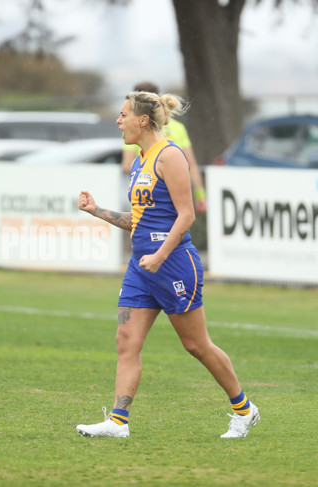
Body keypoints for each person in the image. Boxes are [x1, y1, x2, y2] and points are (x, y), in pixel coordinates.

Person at [75, 91, 259, 438]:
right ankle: (118, 422)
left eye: (123, 115)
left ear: (142, 120)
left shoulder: (169, 156)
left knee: (196, 345)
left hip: (173, 263)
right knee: (126, 340)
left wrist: (160, 255)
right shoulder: (141, 160)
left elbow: (186, 216)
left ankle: (244, 409)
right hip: (141, 267)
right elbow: (139, 220)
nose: (118, 121)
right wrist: (96, 211)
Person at [121, 81, 207, 214]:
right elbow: (192, 164)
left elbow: (127, 165)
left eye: (125, 114)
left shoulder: (135, 127)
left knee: (174, 223)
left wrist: (147, 174)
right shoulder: (178, 127)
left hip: (149, 195)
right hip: (177, 192)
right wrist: (200, 195)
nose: (119, 121)